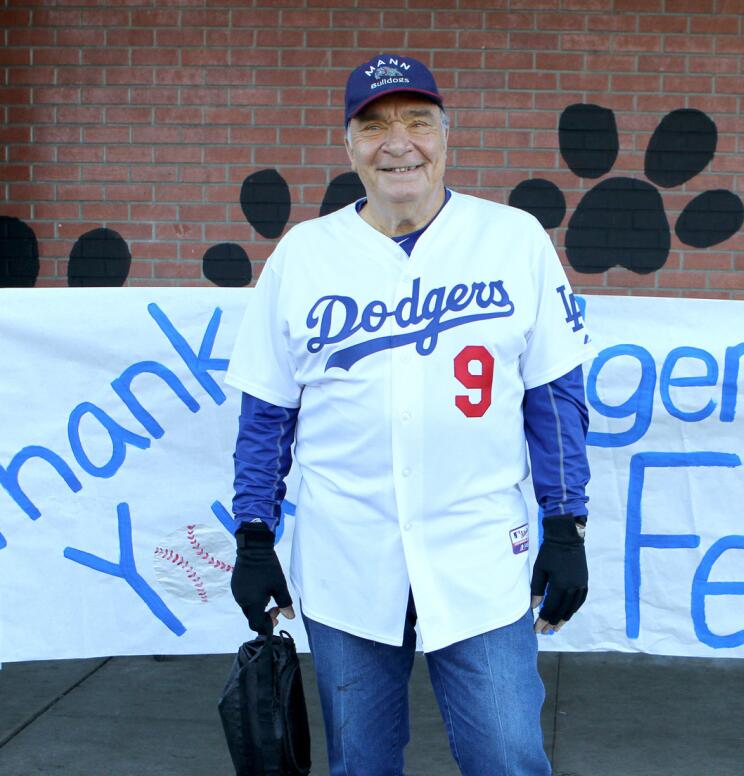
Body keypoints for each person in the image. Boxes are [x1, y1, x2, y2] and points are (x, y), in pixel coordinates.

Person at [223, 53, 592, 776]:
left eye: (417, 122)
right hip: (346, 550)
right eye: (375, 126)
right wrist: (253, 534)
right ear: (349, 147)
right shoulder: (304, 254)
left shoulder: (514, 239)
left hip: (479, 544)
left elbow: (553, 397)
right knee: (361, 762)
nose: (398, 144)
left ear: (447, 137)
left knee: (508, 756)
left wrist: (565, 522)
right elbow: (267, 411)